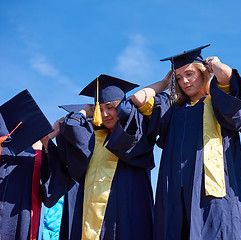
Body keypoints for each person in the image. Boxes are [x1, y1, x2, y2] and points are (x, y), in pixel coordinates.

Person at [131, 45, 241, 239]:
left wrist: (214, 64)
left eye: (190, 74)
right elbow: (138, 99)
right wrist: (165, 84)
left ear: (203, 72)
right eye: (179, 78)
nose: (185, 81)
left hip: (211, 188)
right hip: (175, 189)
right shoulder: (171, 110)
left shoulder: (218, 101)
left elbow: (227, 76)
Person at [47, 74, 154, 239]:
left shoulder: (135, 131)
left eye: (110, 107)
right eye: (100, 109)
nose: (105, 114)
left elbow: (129, 110)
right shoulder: (93, 138)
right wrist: (84, 111)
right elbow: (71, 128)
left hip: (126, 212)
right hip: (91, 217)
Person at [0, 89, 60, 240]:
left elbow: (50, 195)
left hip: (22, 222)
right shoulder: (3, 149)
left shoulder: (38, 155)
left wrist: (47, 143)